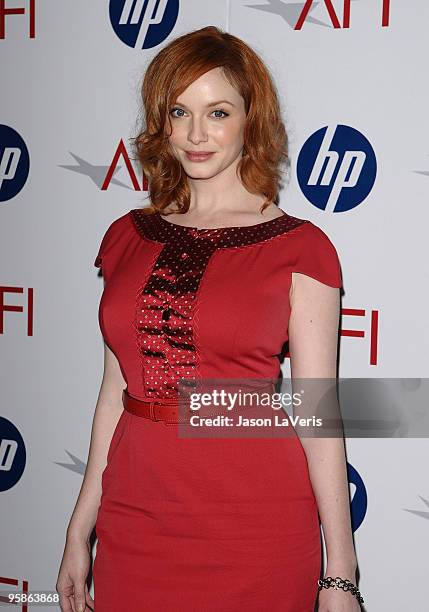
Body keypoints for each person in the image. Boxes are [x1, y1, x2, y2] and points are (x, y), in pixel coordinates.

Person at [56, 26, 363, 612]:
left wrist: (340, 573)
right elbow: (113, 395)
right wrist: (79, 529)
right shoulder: (126, 237)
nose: (196, 135)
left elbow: (319, 413)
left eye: (217, 112)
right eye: (179, 111)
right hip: (135, 519)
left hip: (255, 526)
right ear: (160, 121)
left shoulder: (301, 248)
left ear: (251, 120)